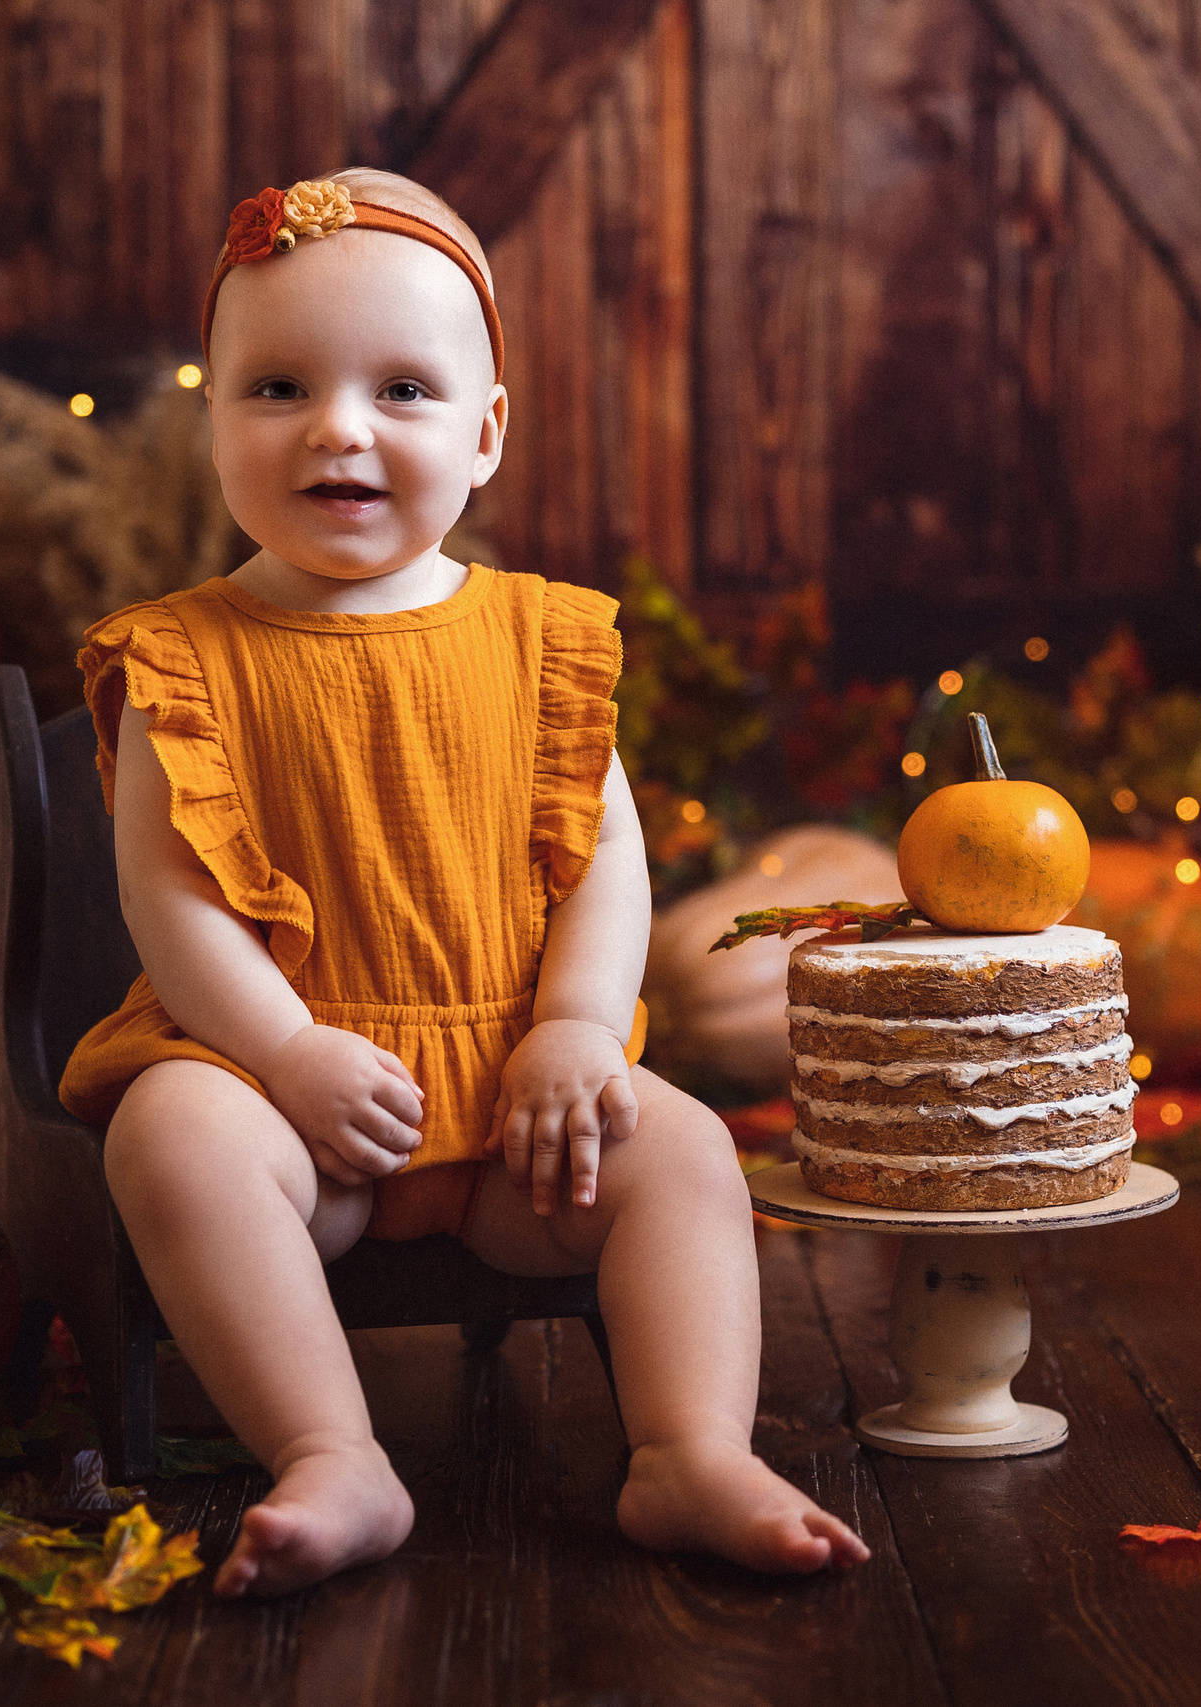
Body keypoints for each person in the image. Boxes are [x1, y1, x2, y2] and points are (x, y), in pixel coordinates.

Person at [58, 168, 871, 1597]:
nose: (339, 429)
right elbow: (172, 905)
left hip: (514, 1106)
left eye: (404, 392)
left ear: (486, 434)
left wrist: (570, 1028)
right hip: (290, 1109)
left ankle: (690, 1450)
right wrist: (285, 1054)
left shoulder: (541, 643)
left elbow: (604, 857)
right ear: (213, 427)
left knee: (680, 1153)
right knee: (166, 1136)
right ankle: (332, 1454)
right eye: (279, 389)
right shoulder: (180, 660)